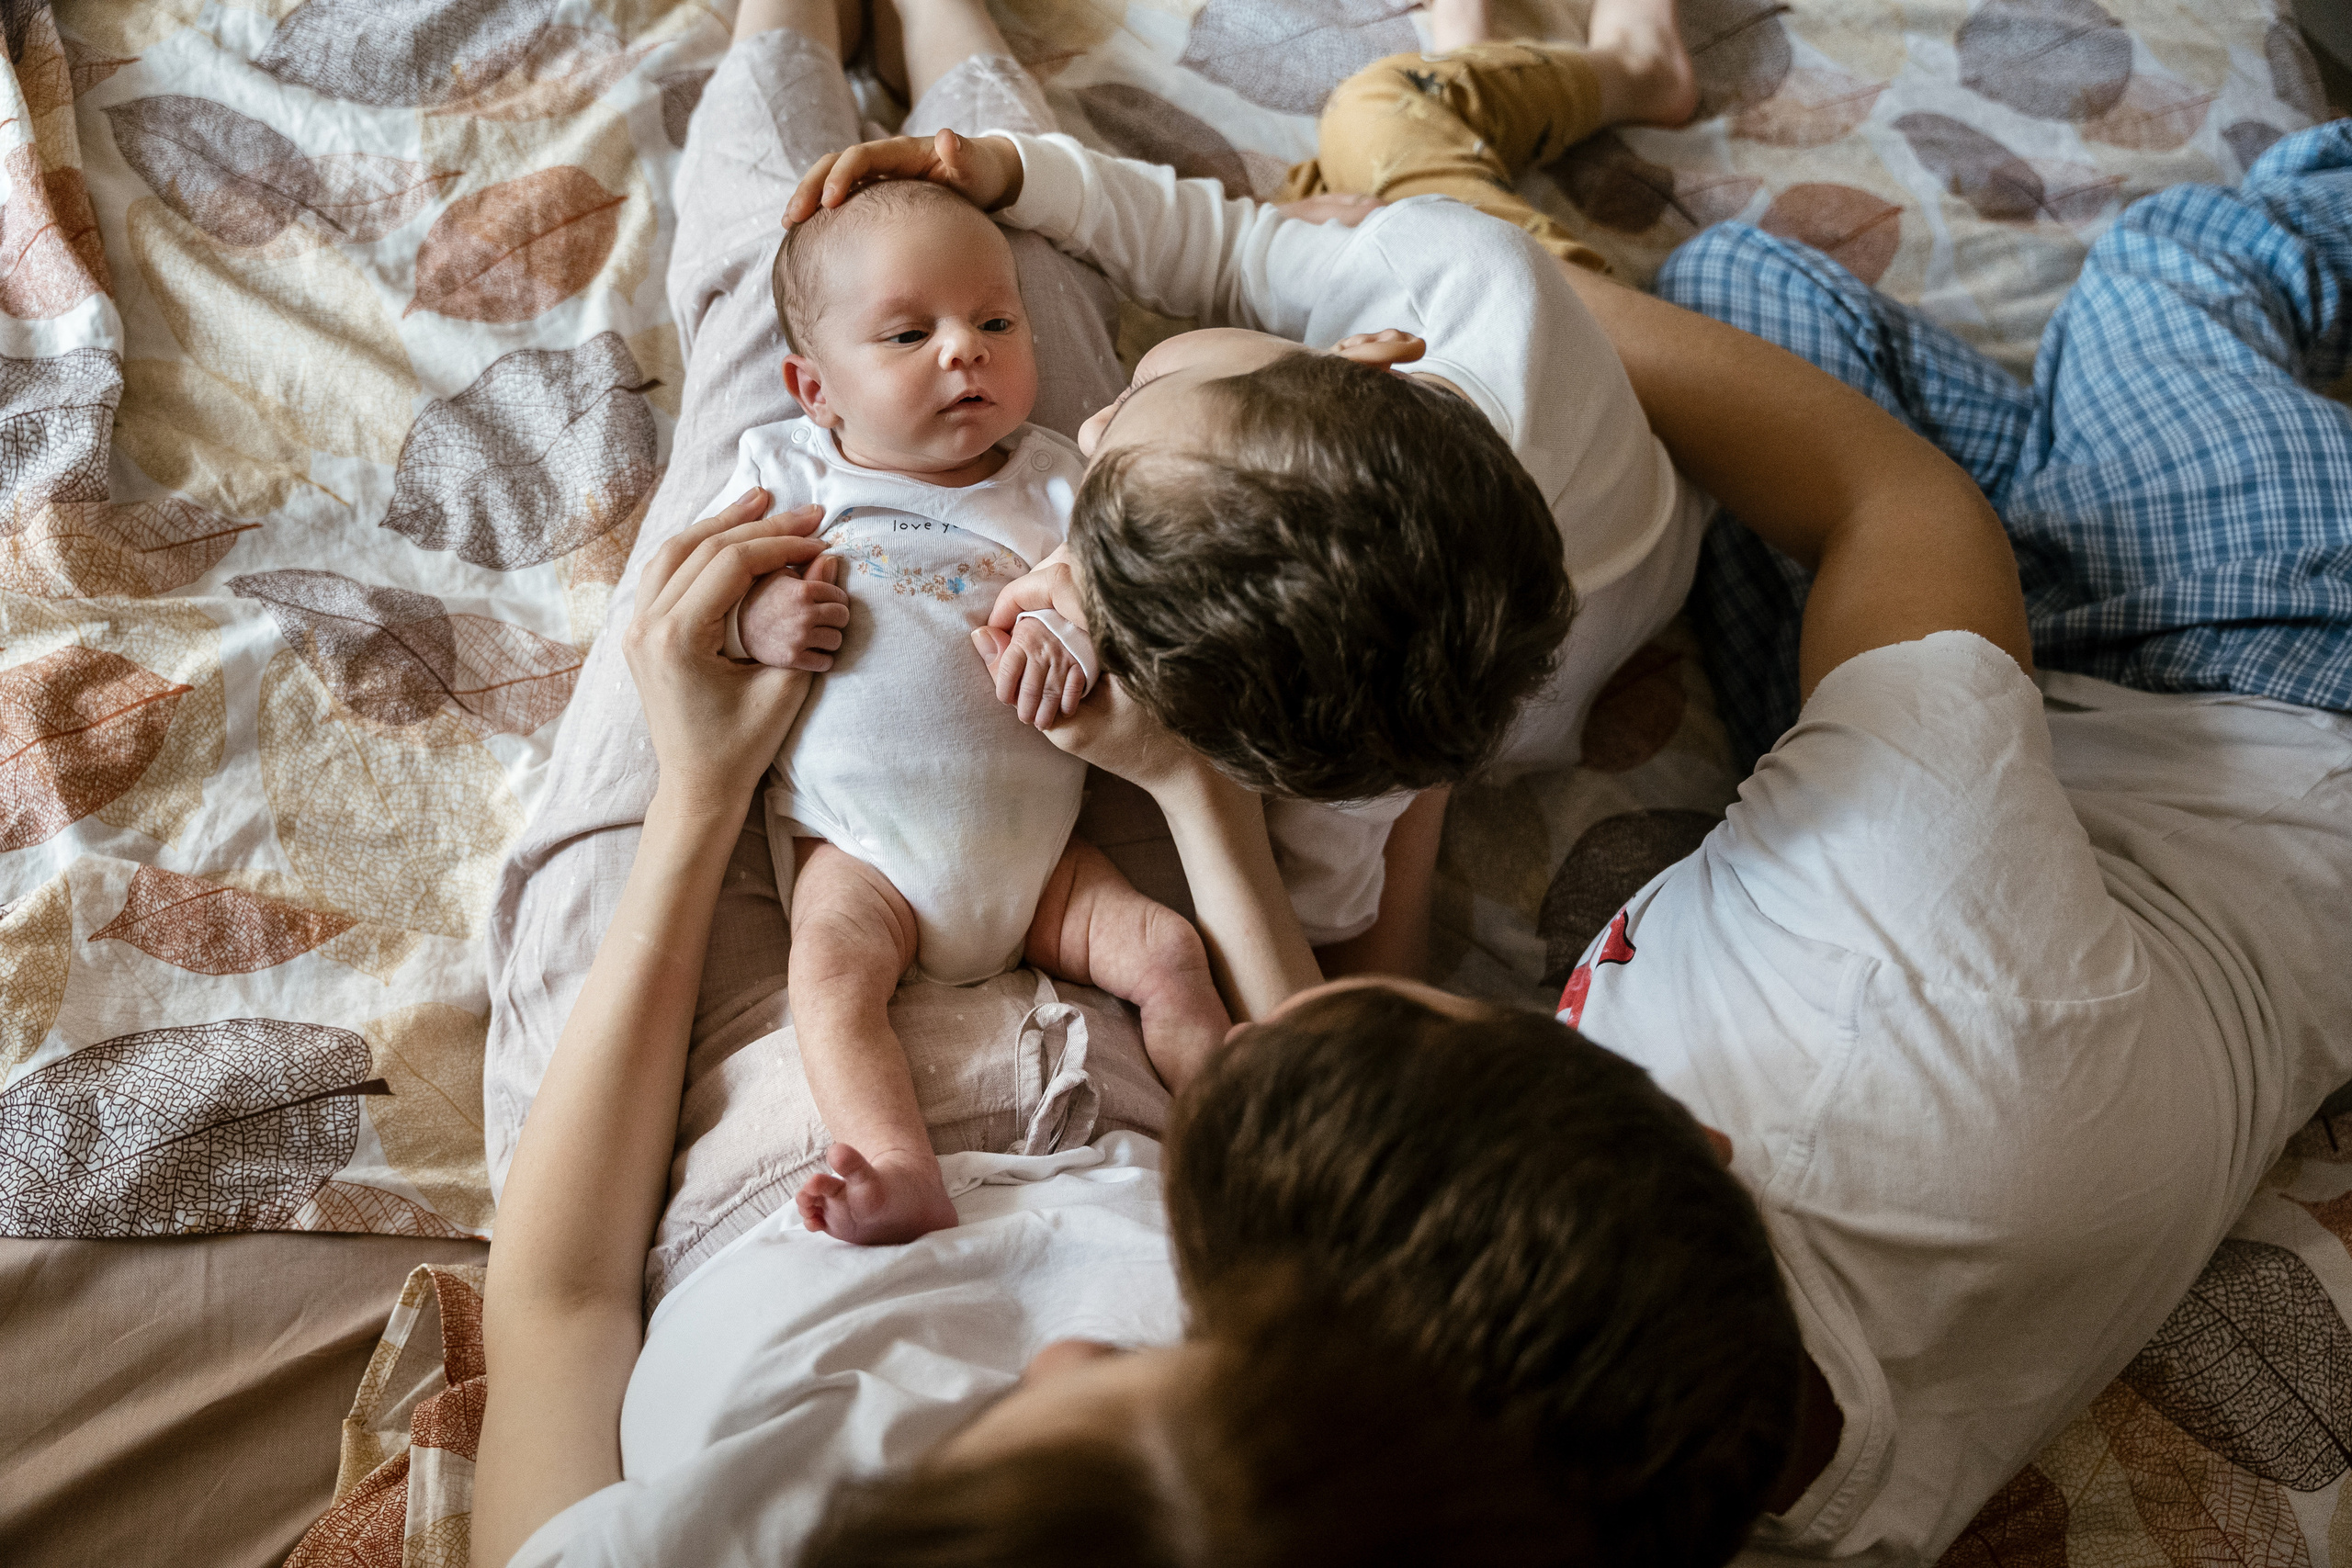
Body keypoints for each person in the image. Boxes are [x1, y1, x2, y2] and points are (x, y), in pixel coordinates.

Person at [706, 172, 1227, 1242]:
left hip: (1045, 866)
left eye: (996, 322)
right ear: (815, 388)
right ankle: (898, 1165)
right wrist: (755, 622)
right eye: (908, 335)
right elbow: (694, 606)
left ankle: (1231, 1130)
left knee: (1169, 954)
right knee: (830, 981)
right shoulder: (789, 474)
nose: (965, 351)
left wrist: (1074, 632)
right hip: (862, 856)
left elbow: (1122, 597)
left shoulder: (1058, 483)